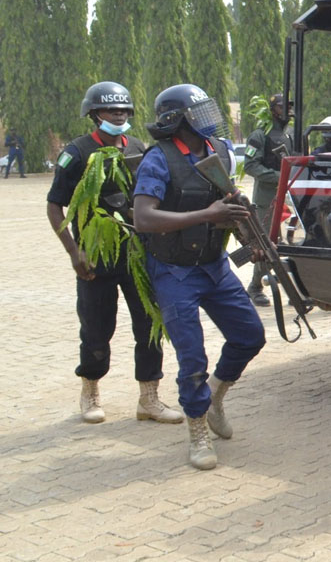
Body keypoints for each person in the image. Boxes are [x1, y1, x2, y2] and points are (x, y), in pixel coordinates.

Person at [132, 84, 266, 470]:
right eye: (200, 113)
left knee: (249, 336)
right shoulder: (159, 159)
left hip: (214, 265)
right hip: (174, 270)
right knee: (192, 356)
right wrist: (205, 216)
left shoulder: (219, 150)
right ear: (178, 120)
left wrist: (248, 235)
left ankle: (215, 399)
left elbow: (229, 200)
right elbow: (144, 218)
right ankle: (197, 430)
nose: (209, 119)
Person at [46, 82, 181, 425]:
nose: (118, 116)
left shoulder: (139, 148)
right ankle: (90, 389)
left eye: (123, 111)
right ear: (94, 115)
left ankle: (149, 398)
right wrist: (74, 253)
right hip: (95, 259)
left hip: (138, 255)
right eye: (111, 111)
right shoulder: (76, 154)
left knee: (149, 325)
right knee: (96, 328)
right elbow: (54, 207)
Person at [243, 93, 295, 306]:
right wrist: (279, 178)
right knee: (267, 243)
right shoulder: (259, 135)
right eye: (284, 107)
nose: (289, 112)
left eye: (290, 107)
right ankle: (255, 286)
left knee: (290, 242)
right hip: (267, 198)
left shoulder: (290, 134)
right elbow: (250, 165)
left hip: (289, 195)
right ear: (273, 109)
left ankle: (298, 288)